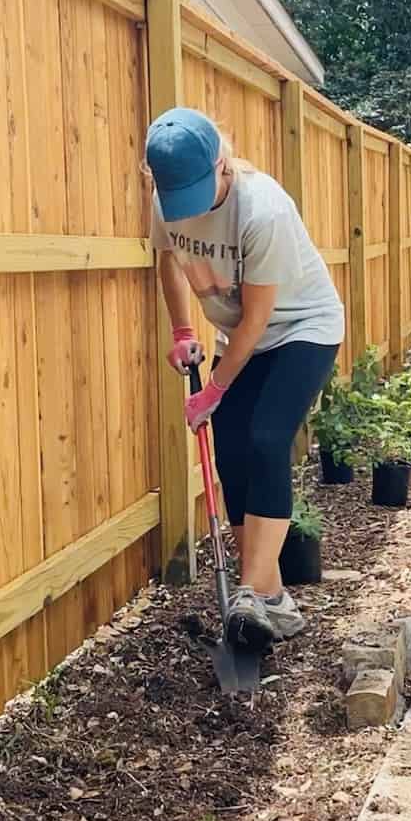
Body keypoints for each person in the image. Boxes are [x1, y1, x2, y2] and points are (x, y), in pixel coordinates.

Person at [145, 107, 345, 646]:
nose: (185, 208)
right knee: (231, 449)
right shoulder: (167, 199)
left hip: (302, 328)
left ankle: (251, 594)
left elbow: (258, 319)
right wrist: (183, 330)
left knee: (265, 437)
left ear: (221, 164)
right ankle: (272, 601)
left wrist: (212, 389)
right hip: (242, 340)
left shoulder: (263, 210)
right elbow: (168, 258)